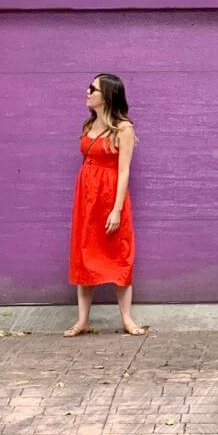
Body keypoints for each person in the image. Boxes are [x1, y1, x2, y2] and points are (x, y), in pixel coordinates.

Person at [64, 73, 146, 336]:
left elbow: (124, 172)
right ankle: (82, 321)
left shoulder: (124, 129)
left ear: (107, 96)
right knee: (85, 253)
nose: (87, 92)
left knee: (119, 254)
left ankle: (126, 319)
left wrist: (117, 209)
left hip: (110, 197)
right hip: (87, 198)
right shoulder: (88, 126)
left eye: (93, 89)